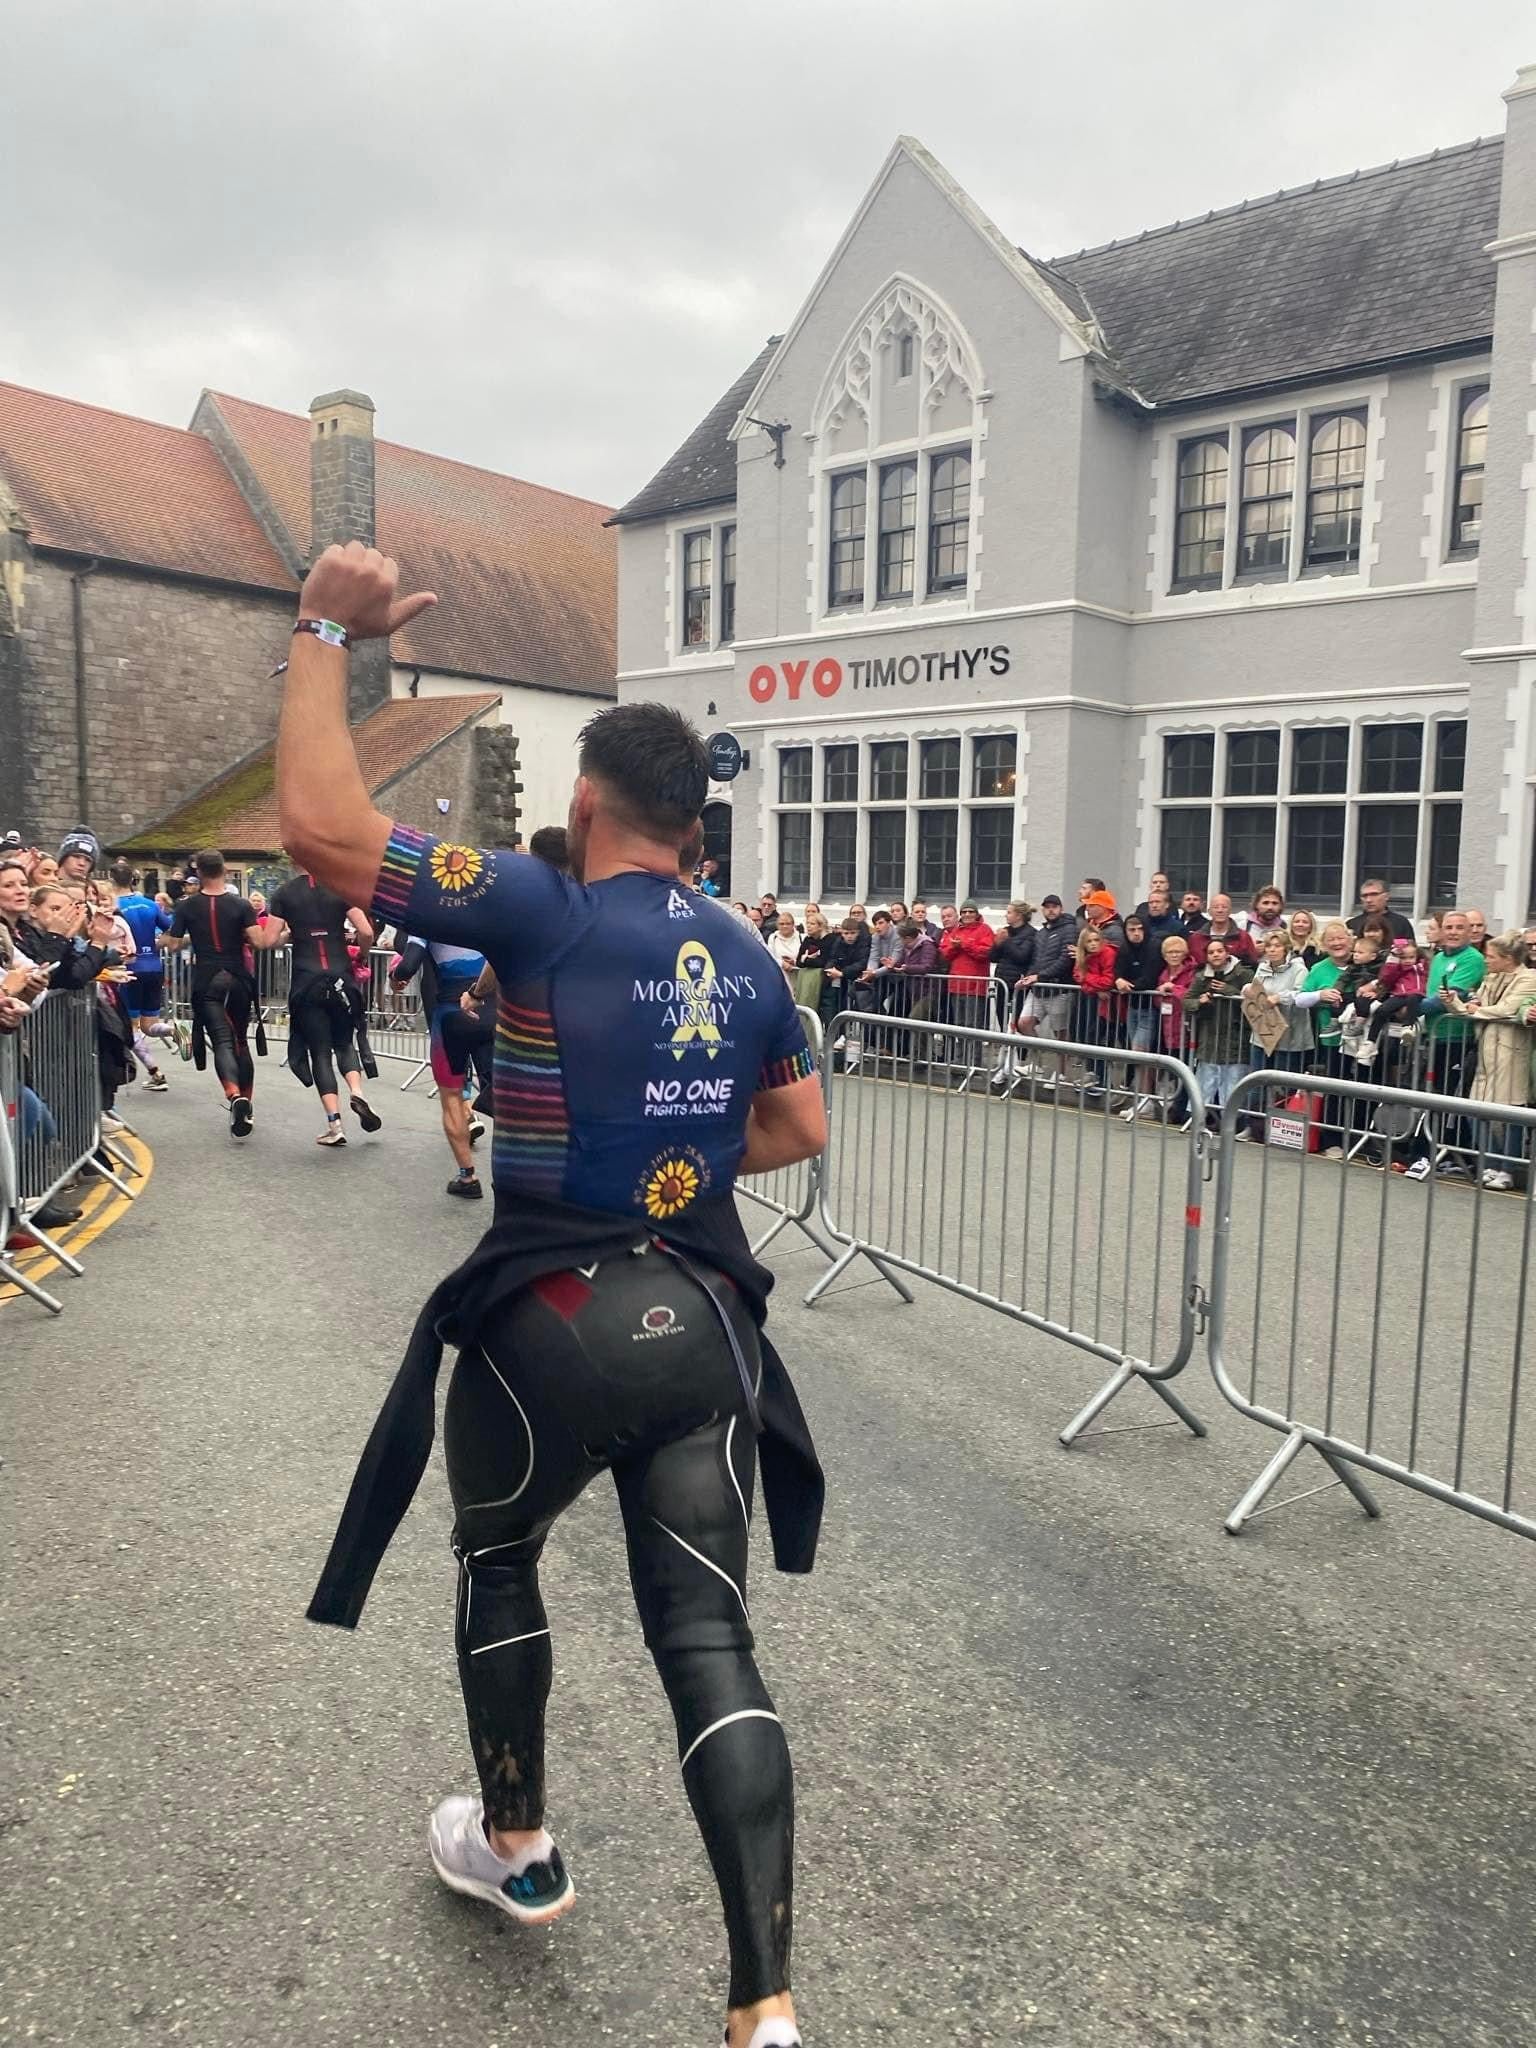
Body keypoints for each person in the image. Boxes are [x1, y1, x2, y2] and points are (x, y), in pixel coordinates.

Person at [280, 543, 825, 2048]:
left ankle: (517, 1848)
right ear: (696, 827)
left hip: (549, 1317)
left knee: (501, 1559)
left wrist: (323, 625)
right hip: (699, 1317)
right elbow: (796, 1128)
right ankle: (766, 2005)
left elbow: (320, 826)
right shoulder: (748, 951)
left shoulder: (536, 903)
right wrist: (672, 1162)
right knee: (707, 1640)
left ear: (586, 806)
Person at [158, 849, 283, 1136]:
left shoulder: (187, 906)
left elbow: (173, 944)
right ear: (224, 871)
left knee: (221, 1040)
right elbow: (259, 942)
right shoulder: (241, 905)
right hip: (238, 977)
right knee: (240, 1041)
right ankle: (246, 1105)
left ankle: (234, 1095)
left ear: (199, 872)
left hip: (207, 978)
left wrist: (181, 939)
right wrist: (286, 934)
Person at [267, 871, 383, 1146]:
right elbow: (366, 931)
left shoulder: (284, 893)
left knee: (320, 1052)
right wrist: (363, 954)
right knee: (344, 1043)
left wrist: (290, 934)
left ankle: (335, 1125)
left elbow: (269, 940)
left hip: (307, 981)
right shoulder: (340, 885)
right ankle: (357, 1092)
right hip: (341, 975)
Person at [390, 929, 492, 1198]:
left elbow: (409, 964)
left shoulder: (429, 919)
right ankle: (519, 1180)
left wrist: (396, 977)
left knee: (451, 1096)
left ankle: (467, 1177)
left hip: (450, 1013)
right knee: (505, 1096)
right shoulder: (488, 911)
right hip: (493, 1008)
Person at [1443, 932, 1536, 1189]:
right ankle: (1491, 1163)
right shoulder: (1490, 978)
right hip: (1485, 1052)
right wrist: (1453, 1001)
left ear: (1508, 958)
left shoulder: (1529, 978)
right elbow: (1471, 1010)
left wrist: (1477, 1010)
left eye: (1491, 956)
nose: (1486, 960)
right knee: (1476, 1112)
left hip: (1512, 1054)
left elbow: (1506, 1009)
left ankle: (1507, 1170)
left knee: (1510, 1114)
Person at [109, 861, 175, 1090]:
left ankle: (156, 1073)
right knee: (149, 1025)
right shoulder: (149, 904)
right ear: (132, 880)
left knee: (130, 1026)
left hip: (129, 970)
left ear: (111, 880)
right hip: (154, 967)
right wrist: (156, 946)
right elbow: (171, 929)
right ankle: (174, 1031)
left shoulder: (113, 906)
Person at [1182, 937, 1255, 1127]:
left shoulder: (1244, 974)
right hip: (1209, 1036)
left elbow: (1255, 1000)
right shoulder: (1201, 976)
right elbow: (1187, 1000)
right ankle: (1198, 1117)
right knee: (1205, 1079)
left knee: (1233, 1080)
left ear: (1227, 953)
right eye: (1211, 952)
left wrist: (1230, 991)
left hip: (1236, 1035)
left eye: (1219, 951)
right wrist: (1200, 1001)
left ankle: (1233, 1122)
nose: (1216, 955)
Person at [1015, 894, 1077, 1086]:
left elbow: (1065, 960)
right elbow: (1035, 960)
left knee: (1060, 1033)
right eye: (1047, 907)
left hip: (1059, 989)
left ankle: (1061, 1073)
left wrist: (1040, 976)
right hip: (1038, 989)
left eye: (1054, 906)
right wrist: (1028, 977)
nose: (1051, 910)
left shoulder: (1070, 929)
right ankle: (1037, 1065)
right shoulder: (1041, 933)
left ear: (1061, 908)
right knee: (1024, 1023)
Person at [1112, 911, 1165, 1117]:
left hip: (1150, 1007)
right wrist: (1118, 980)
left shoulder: (1153, 947)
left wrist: (1128, 986)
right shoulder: (1125, 948)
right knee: (1137, 1054)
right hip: (1133, 1007)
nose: (1136, 933)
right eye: (1131, 929)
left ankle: (1147, 1100)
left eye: (1139, 929)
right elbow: (1117, 970)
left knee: (1140, 1050)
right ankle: (1144, 1098)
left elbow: (1150, 978)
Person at [1188, 894, 1257, 966]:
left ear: (1230, 911)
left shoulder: (1243, 937)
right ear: (1209, 911)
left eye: (1224, 907)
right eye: (1216, 907)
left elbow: (1252, 964)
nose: (1220, 910)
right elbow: (1190, 965)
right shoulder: (1196, 939)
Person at [1347, 879, 1415, 945]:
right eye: (1364, 896)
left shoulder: (1401, 922)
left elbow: (1410, 945)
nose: (1368, 900)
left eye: (1374, 894)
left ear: (1386, 896)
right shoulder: (1352, 924)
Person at [767, 910, 801, 978]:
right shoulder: (773, 937)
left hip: (797, 975)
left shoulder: (801, 937)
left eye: (788, 924)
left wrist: (794, 962)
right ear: (777, 925)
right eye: (781, 924)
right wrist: (782, 963)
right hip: (779, 976)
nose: (785, 926)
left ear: (793, 925)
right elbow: (770, 957)